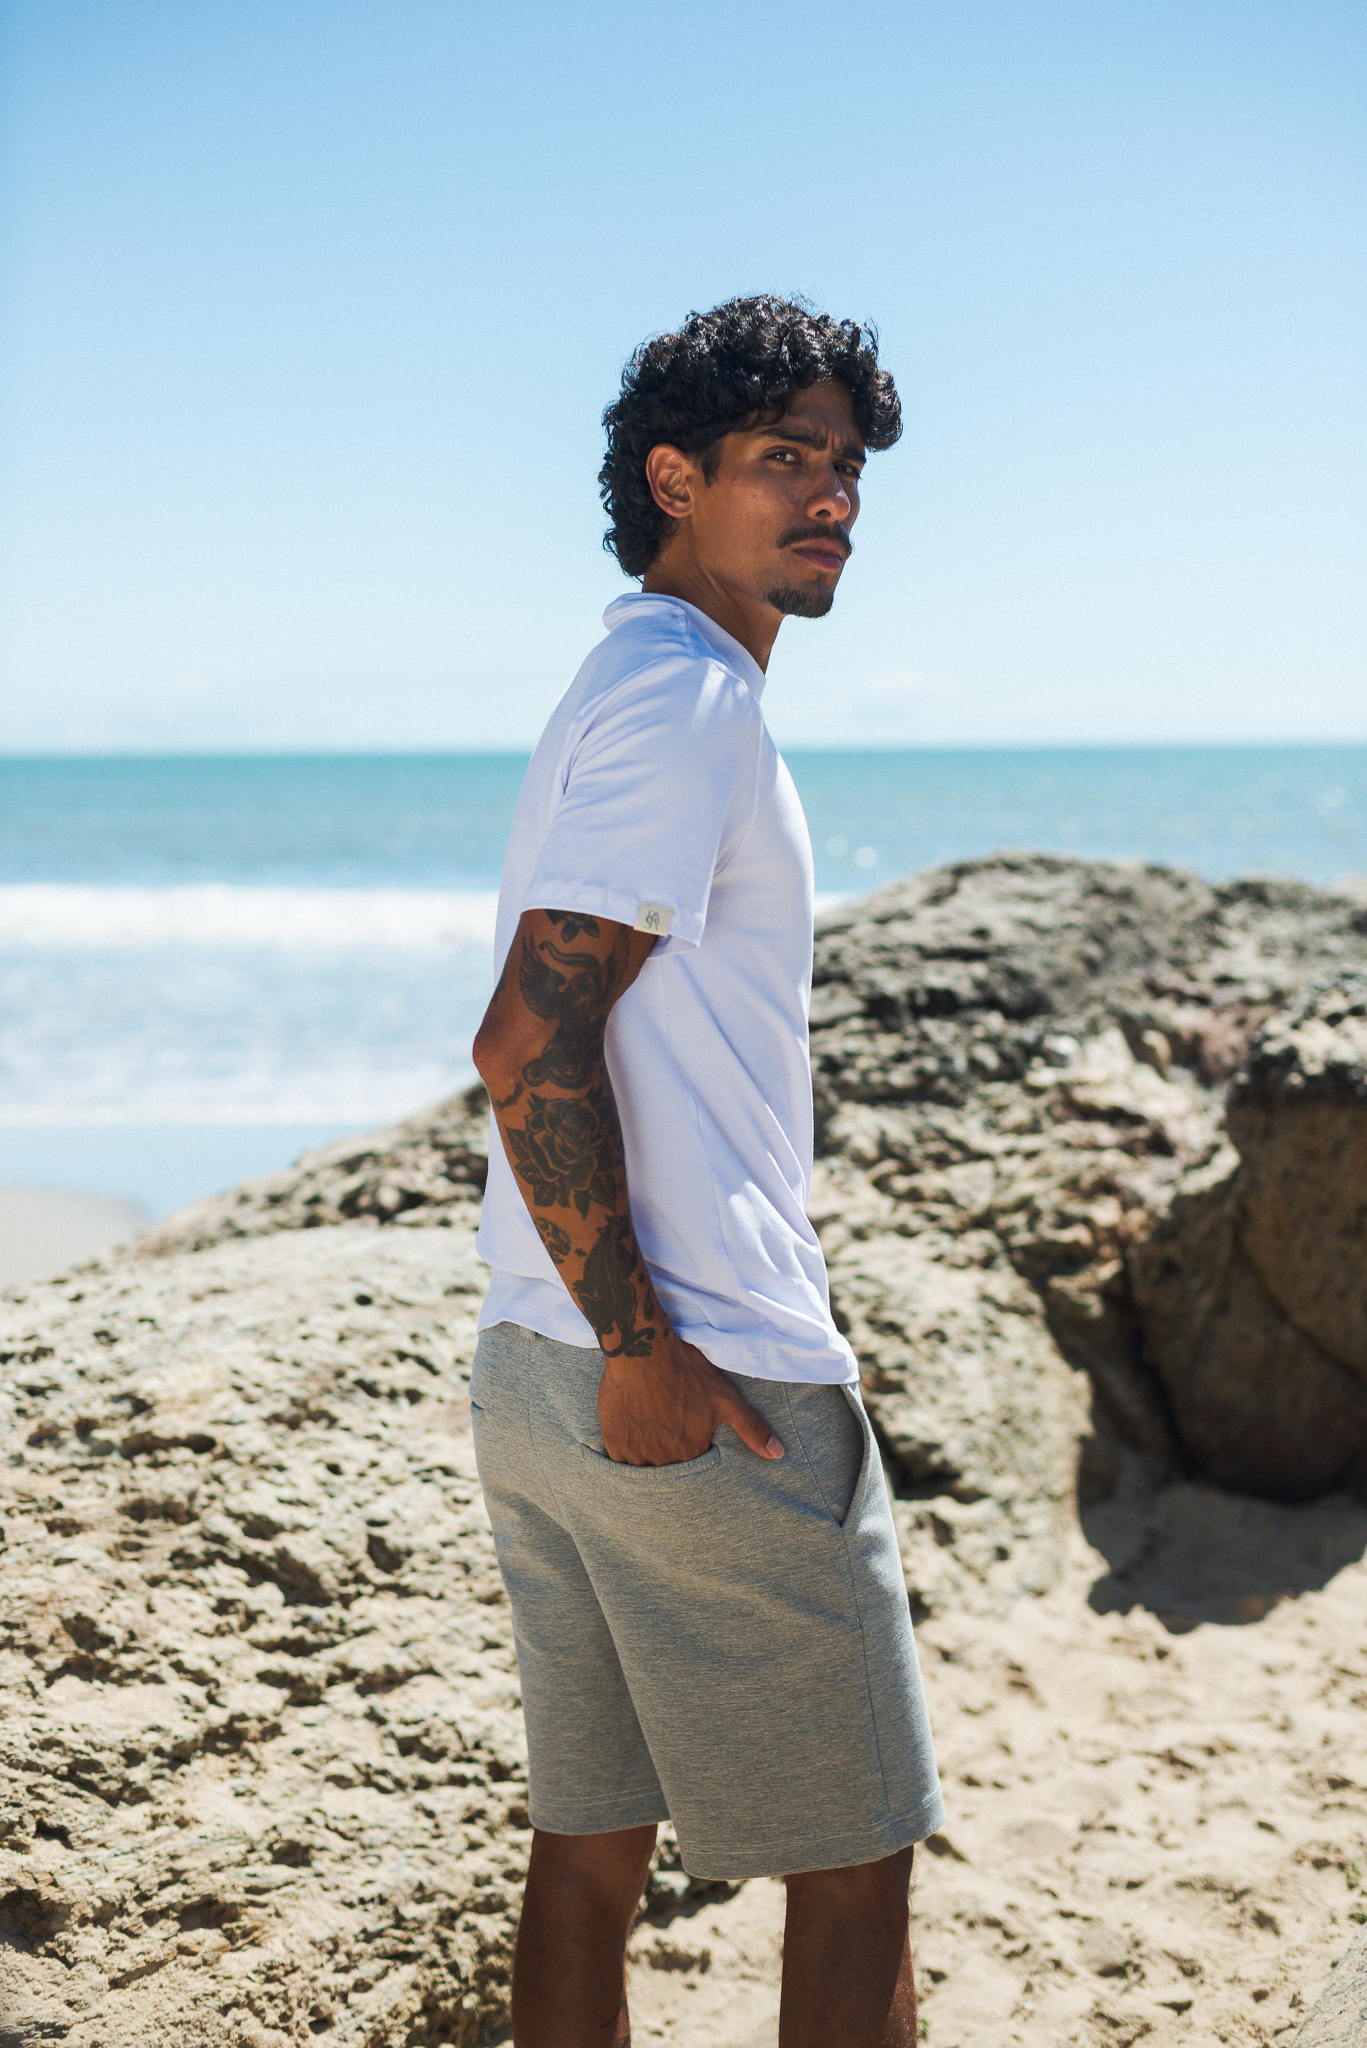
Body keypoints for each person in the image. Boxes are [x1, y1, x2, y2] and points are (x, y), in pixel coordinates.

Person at [470, 295, 943, 2048]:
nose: (830, 497)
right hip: (691, 1372)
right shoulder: (687, 703)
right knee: (858, 1862)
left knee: (589, 1849)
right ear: (674, 480)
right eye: (783, 458)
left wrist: (598, 1346)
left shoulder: (632, 683)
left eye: (845, 465)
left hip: (534, 1366)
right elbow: (527, 1044)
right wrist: (644, 1346)